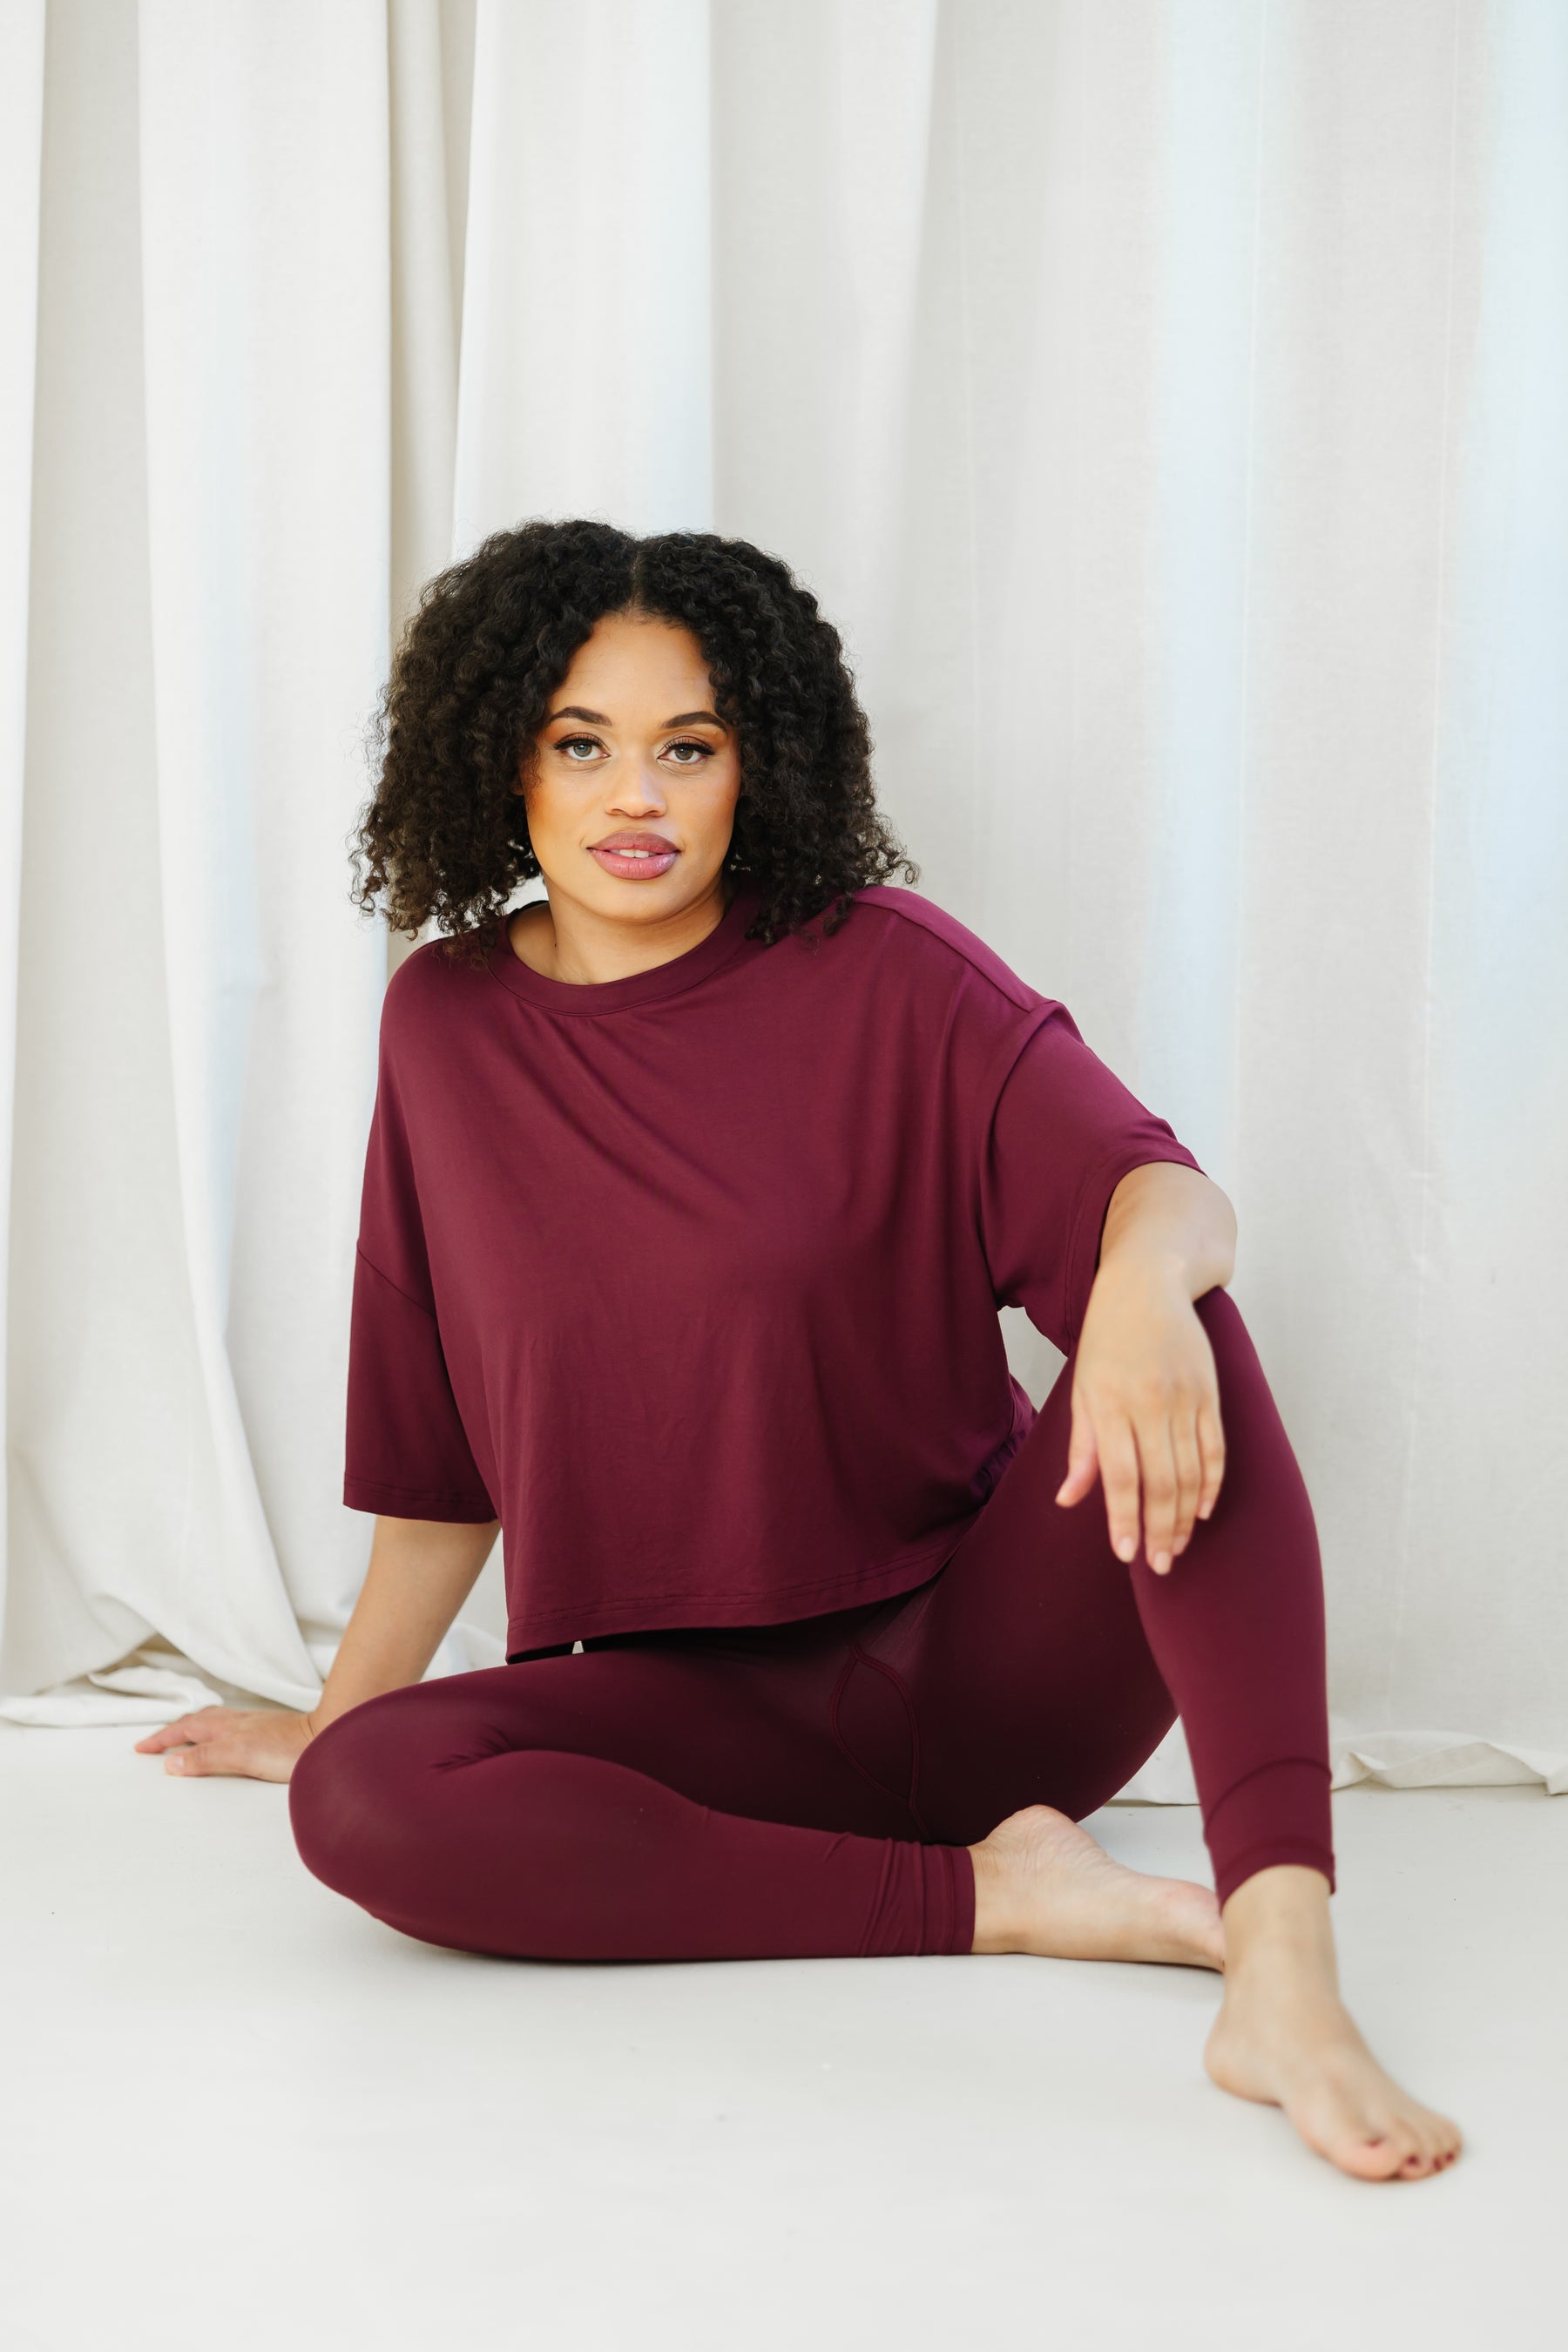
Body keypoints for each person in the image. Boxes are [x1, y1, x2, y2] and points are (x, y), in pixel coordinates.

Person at [136, 519, 1461, 2184]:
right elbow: (436, 1453)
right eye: (582, 744)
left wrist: (1131, 1292)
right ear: (502, 763)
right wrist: (343, 1723)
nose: (638, 796)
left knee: (1173, 1317)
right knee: (363, 1808)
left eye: (688, 747)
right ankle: (1004, 1900)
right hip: (712, 1732)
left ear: (756, 763)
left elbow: (1165, 1197)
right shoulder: (445, 1024)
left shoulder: (883, 970)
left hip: (990, 1668)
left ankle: (1281, 1964)